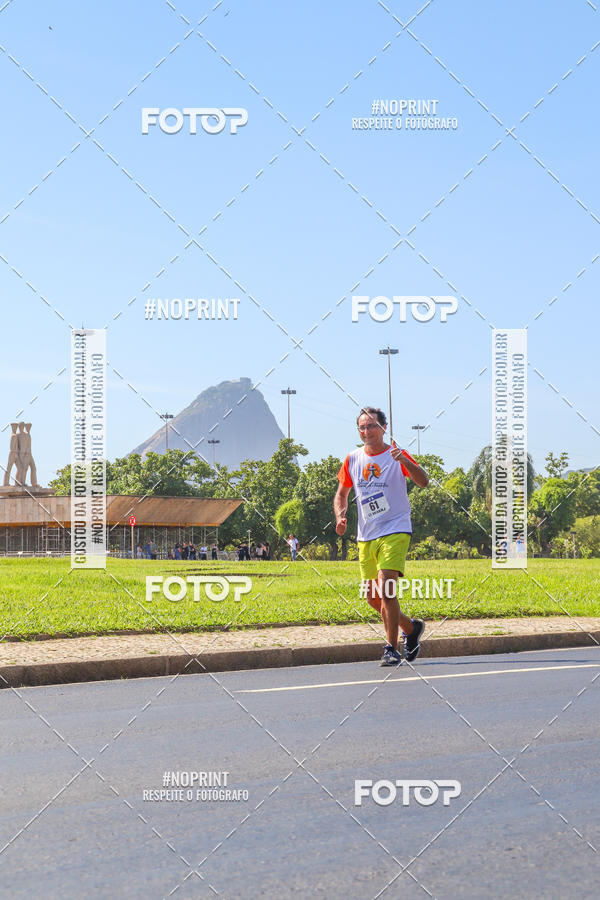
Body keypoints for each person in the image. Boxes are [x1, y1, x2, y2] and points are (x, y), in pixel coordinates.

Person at [334, 406, 429, 667]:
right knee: (372, 598)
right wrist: (340, 516)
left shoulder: (396, 454)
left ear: (383, 428)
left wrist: (405, 461)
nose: (366, 431)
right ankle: (411, 629)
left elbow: (424, 481)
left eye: (371, 426)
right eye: (362, 427)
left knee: (387, 587)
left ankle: (391, 648)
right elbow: (341, 493)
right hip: (367, 535)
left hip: (396, 528)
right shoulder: (352, 458)